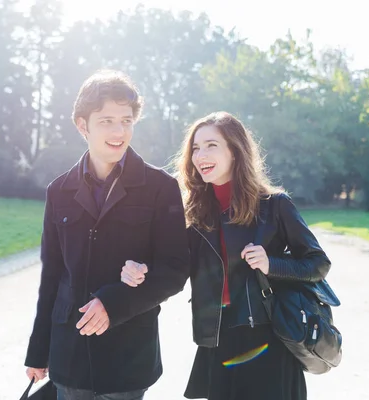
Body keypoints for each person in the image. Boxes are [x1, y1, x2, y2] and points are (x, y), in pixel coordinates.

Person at [121, 111, 331, 400]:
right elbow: (173, 267)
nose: (200, 155)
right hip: (218, 339)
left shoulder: (274, 206)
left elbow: (318, 263)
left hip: (270, 337)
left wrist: (272, 264)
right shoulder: (194, 215)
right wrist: (140, 269)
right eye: (195, 148)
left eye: (211, 145)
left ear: (235, 151)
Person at [24, 69, 190, 400]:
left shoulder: (161, 188)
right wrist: (38, 350)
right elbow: (53, 276)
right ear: (82, 125)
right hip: (69, 353)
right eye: (107, 121)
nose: (119, 132)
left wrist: (114, 302)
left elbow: (175, 270)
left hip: (127, 358)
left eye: (126, 121)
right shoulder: (59, 191)